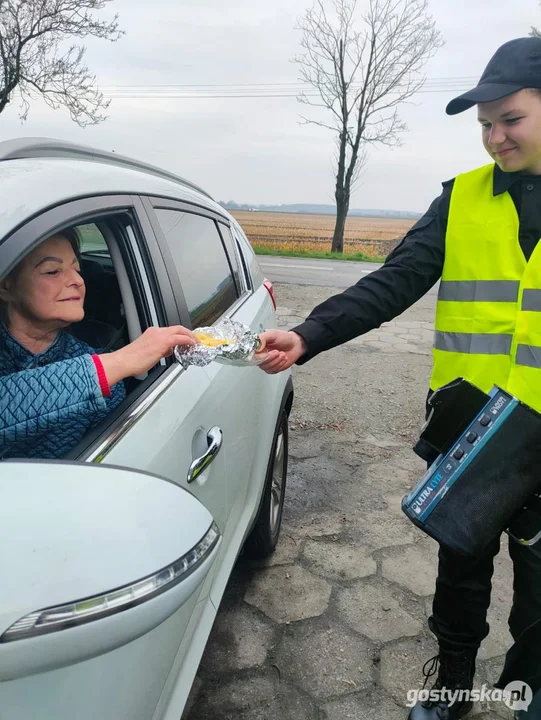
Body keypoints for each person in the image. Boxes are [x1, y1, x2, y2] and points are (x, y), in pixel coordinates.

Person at [259, 37, 541, 720]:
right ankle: (448, 690)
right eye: (483, 126)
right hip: (469, 427)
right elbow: (396, 280)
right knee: (461, 572)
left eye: (510, 119)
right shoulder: (462, 200)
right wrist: (308, 334)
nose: (493, 138)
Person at [0, 231, 196, 460]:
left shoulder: (108, 383)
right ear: (6, 287)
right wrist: (121, 361)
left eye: (77, 269)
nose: (78, 281)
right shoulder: (112, 368)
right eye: (53, 271)